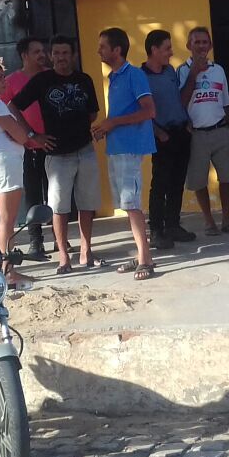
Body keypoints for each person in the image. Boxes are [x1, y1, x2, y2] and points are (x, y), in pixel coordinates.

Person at [8, 36, 104, 274]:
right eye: (57, 53)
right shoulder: (42, 80)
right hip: (57, 155)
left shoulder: (84, 79)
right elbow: (13, 105)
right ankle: (63, 256)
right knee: (59, 208)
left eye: (65, 53)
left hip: (85, 149)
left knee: (87, 204)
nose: (61, 57)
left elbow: (93, 113)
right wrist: (33, 135)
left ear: (73, 55)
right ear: (52, 56)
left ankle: (86, 250)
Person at [0, 61, 52, 287]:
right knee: (8, 221)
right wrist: (18, 135)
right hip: (4, 165)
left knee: (2, 221)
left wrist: (14, 135)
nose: (4, 81)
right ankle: (8, 272)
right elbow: (22, 136)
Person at [93, 28, 158, 281]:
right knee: (127, 206)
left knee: (132, 205)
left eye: (103, 46)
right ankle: (142, 254)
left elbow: (149, 111)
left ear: (117, 50)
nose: (98, 50)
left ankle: (145, 260)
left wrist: (113, 123)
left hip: (130, 148)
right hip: (117, 147)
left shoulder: (134, 75)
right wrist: (106, 127)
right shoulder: (114, 77)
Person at [178, 26, 229, 236]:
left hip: (220, 130)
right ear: (189, 45)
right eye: (196, 42)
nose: (201, 46)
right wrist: (194, 73)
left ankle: (226, 219)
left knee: (227, 177)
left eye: (205, 42)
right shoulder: (182, 70)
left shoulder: (218, 70)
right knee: (199, 180)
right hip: (196, 134)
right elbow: (181, 102)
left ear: (210, 46)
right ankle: (209, 221)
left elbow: (226, 102)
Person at [0, 36, 54, 260]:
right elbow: (5, 113)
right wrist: (28, 136)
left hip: (53, 145)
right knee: (33, 195)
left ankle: (60, 238)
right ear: (24, 55)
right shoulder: (11, 82)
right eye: (36, 52)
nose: (42, 55)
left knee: (55, 195)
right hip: (27, 148)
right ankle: (36, 240)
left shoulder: (51, 76)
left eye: (43, 51)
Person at [141, 30, 195, 250]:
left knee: (177, 182)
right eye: (167, 48)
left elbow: (176, 99)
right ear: (154, 50)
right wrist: (158, 132)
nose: (171, 53)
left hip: (181, 132)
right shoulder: (140, 76)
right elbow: (140, 110)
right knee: (160, 184)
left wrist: (187, 123)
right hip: (161, 136)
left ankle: (173, 225)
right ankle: (156, 230)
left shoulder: (170, 71)